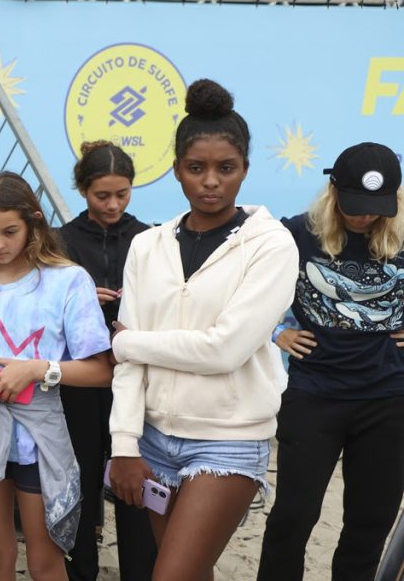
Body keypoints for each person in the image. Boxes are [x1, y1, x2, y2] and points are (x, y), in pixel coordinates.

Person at [106, 79, 298, 581]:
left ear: (245, 171)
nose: (210, 181)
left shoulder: (271, 246)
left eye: (225, 168)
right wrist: (124, 444)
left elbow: (224, 350)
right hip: (151, 440)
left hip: (228, 441)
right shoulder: (147, 246)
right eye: (196, 168)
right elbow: (129, 369)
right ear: (176, 171)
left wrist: (127, 341)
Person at [0, 172, 114, 581]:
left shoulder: (67, 280)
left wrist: (39, 370)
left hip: (41, 439)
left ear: (34, 223)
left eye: (9, 231)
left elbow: (101, 371)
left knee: (45, 561)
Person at [257, 142, 404, 581]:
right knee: (291, 519)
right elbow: (242, 289)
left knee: (369, 526)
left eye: (377, 207)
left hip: (390, 401)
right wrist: (273, 331)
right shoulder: (295, 234)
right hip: (313, 395)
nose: (364, 217)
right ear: (332, 190)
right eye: (355, 205)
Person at [57, 141, 156, 581]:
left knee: (133, 476)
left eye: (123, 193)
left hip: (134, 378)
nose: (114, 204)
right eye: (103, 196)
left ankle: (140, 570)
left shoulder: (150, 238)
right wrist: (79, 299)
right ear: (82, 190)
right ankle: (81, 571)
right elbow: (46, 313)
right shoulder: (61, 241)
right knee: (80, 479)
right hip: (78, 380)